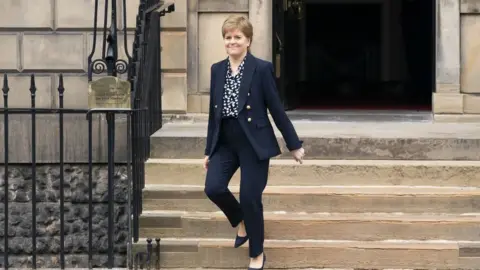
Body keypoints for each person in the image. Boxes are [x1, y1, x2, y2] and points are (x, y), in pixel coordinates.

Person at [203, 15, 305, 270]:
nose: (232, 41)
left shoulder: (261, 68)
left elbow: (276, 109)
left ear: (248, 40)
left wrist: (293, 144)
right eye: (228, 37)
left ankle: (257, 254)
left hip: (254, 143)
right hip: (225, 142)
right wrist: (208, 150)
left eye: (238, 37)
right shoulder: (217, 69)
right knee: (213, 188)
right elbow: (213, 114)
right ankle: (242, 221)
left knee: (250, 197)